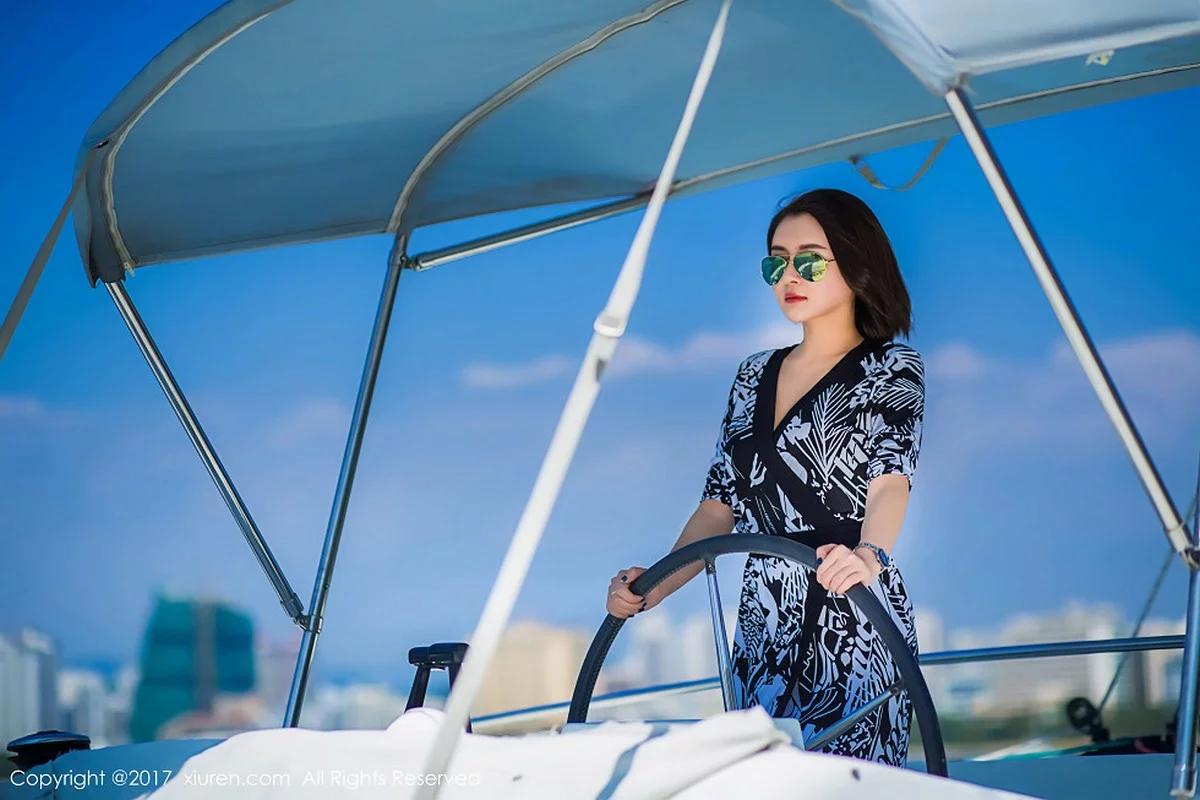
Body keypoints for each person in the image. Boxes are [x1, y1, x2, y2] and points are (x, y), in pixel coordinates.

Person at [605, 188, 924, 766]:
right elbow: (718, 507)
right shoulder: (752, 375)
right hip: (764, 618)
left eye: (809, 261)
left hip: (853, 606)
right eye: (776, 263)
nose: (789, 277)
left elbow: (890, 479)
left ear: (856, 264)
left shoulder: (891, 368)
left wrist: (869, 555)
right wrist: (653, 586)